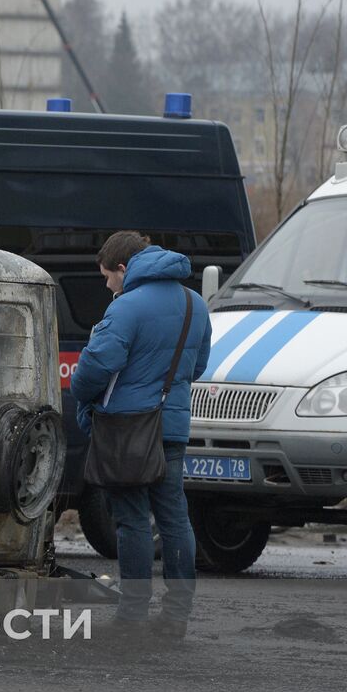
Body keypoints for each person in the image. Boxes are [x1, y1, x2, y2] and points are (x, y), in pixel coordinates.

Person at [70, 231, 212, 640]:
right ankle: (176, 617)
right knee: (174, 518)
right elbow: (198, 364)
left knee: (131, 520)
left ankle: (132, 616)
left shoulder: (127, 307)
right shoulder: (194, 303)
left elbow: (98, 366)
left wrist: (79, 389)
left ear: (123, 268)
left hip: (127, 428)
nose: (108, 286)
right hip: (171, 428)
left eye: (107, 277)